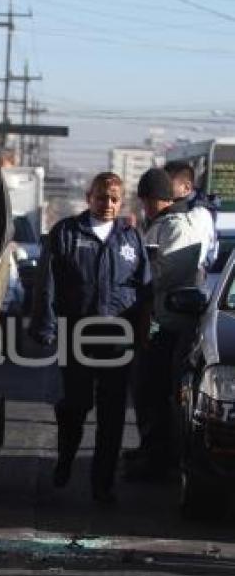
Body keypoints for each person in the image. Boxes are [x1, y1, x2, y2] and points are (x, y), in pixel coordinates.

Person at [30, 172, 151, 505]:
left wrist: (144, 332)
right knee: (76, 405)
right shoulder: (67, 232)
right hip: (77, 335)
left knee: (112, 416)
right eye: (101, 198)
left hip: (117, 339)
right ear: (89, 197)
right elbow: (47, 282)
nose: (108, 205)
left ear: (121, 200)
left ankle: (103, 484)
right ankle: (66, 456)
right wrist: (45, 326)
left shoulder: (131, 238)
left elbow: (145, 289)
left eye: (114, 199)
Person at [125, 167, 207, 480]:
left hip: (170, 326)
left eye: (146, 201)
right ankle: (150, 448)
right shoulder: (161, 224)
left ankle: (159, 458)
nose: (144, 207)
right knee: (146, 392)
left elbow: (162, 273)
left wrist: (132, 274)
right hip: (156, 322)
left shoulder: (177, 227)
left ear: (154, 200)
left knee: (157, 393)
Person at [164, 160, 217, 271]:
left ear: (186, 188)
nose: (163, 190)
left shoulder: (198, 215)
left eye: (168, 185)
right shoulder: (175, 209)